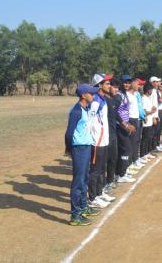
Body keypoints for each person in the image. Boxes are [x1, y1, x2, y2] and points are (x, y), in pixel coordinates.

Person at [65, 84, 100, 226]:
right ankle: (75, 216)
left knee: (85, 178)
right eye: (91, 93)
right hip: (79, 148)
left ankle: (84, 207)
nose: (93, 95)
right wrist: (69, 149)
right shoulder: (76, 111)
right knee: (78, 181)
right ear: (84, 95)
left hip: (86, 146)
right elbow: (69, 133)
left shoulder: (85, 109)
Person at [87, 74, 115, 210]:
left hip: (103, 140)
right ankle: (92, 198)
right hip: (97, 142)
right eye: (107, 84)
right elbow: (90, 121)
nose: (109, 86)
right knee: (95, 171)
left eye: (109, 83)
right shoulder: (96, 100)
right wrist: (93, 138)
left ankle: (99, 192)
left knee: (101, 168)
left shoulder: (102, 99)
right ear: (99, 85)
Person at [115, 75, 137, 183]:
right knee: (127, 150)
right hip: (120, 127)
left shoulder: (124, 94)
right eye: (125, 82)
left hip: (124, 126)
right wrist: (125, 124)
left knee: (124, 150)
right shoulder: (119, 95)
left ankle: (121, 173)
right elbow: (115, 112)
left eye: (128, 82)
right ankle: (121, 175)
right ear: (121, 83)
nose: (127, 84)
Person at [104, 79, 120, 190]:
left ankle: (110, 180)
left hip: (113, 132)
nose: (115, 89)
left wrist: (124, 123)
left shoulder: (114, 99)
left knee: (113, 158)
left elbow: (116, 115)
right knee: (105, 161)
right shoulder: (103, 100)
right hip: (105, 134)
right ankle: (103, 185)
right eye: (110, 85)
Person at [140, 82, 158, 162]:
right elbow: (144, 111)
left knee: (148, 138)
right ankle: (143, 155)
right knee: (145, 139)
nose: (152, 91)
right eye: (151, 90)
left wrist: (152, 109)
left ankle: (147, 153)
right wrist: (151, 111)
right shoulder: (143, 98)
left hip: (149, 122)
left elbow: (149, 109)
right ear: (148, 90)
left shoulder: (148, 98)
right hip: (146, 123)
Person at [150, 76, 162, 151]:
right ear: (152, 82)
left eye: (158, 82)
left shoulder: (157, 91)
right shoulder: (153, 91)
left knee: (159, 130)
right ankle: (154, 146)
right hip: (156, 111)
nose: (158, 83)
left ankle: (157, 144)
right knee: (155, 130)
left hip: (159, 110)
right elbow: (160, 101)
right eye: (156, 82)